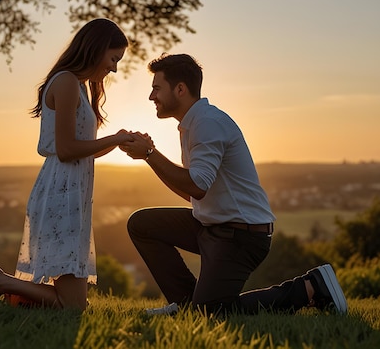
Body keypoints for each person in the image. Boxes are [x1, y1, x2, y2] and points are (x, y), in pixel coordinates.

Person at [119, 53, 347, 315]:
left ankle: (310, 287)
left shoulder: (207, 123)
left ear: (180, 89)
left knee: (212, 312)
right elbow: (196, 194)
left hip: (242, 236)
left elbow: (197, 186)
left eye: (156, 88)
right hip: (213, 226)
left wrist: (150, 154)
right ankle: (185, 306)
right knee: (142, 225)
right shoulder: (192, 124)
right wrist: (150, 156)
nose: (151, 97)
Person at [0, 18, 134, 311]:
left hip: (72, 194)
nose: (114, 68)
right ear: (96, 48)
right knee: (74, 306)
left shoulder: (78, 85)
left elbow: (80, 151)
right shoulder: (66, 82)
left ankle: (4, 286)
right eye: (113, 58)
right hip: (61, 194)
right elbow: (66, 150)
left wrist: (118, 142)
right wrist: (114, 138)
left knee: (76, 304)